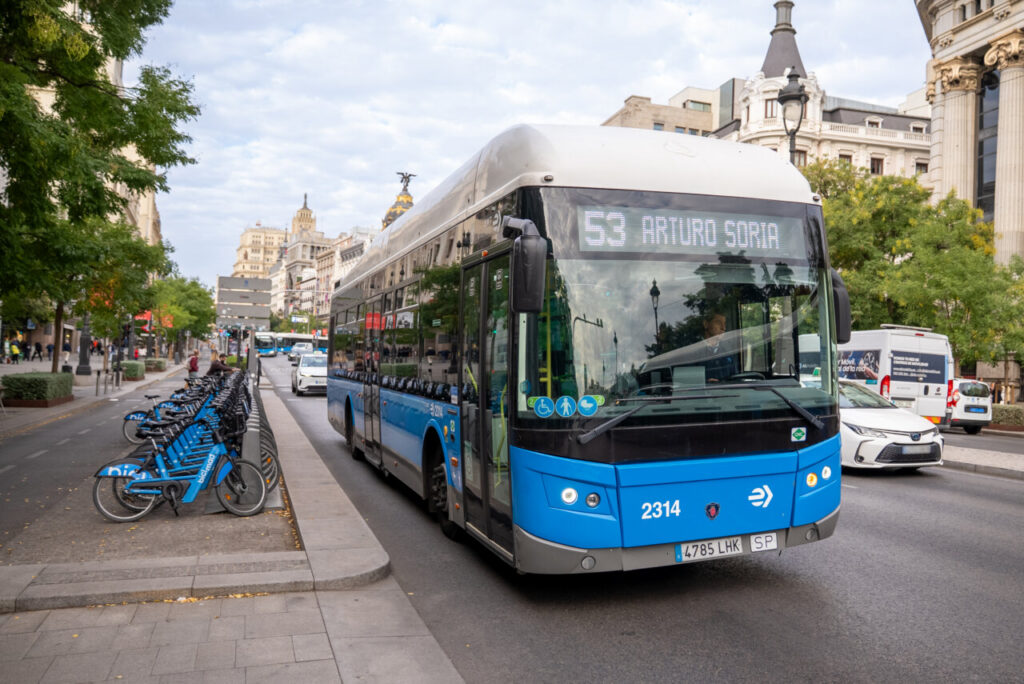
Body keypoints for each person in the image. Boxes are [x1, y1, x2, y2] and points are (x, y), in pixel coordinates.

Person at [699, 312, 739, 382]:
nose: (724, 328)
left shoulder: (728, 353)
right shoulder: (691, 352)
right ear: (706, 324)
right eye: (718, 322)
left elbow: (735, 379)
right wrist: (705, 382)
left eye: (724, 323)